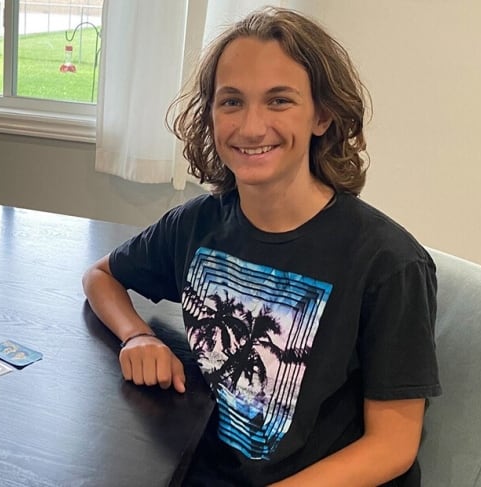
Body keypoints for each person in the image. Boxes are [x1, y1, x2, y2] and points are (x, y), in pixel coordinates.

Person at [82, 6, 441, 486]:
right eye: (231, 102)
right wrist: (138, 335)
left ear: (323, 115)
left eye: (279, 101)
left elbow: (393, 445)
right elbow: (101, 276)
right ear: (210, 114)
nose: (251, 127)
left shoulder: (389, 263)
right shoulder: (196, 225)